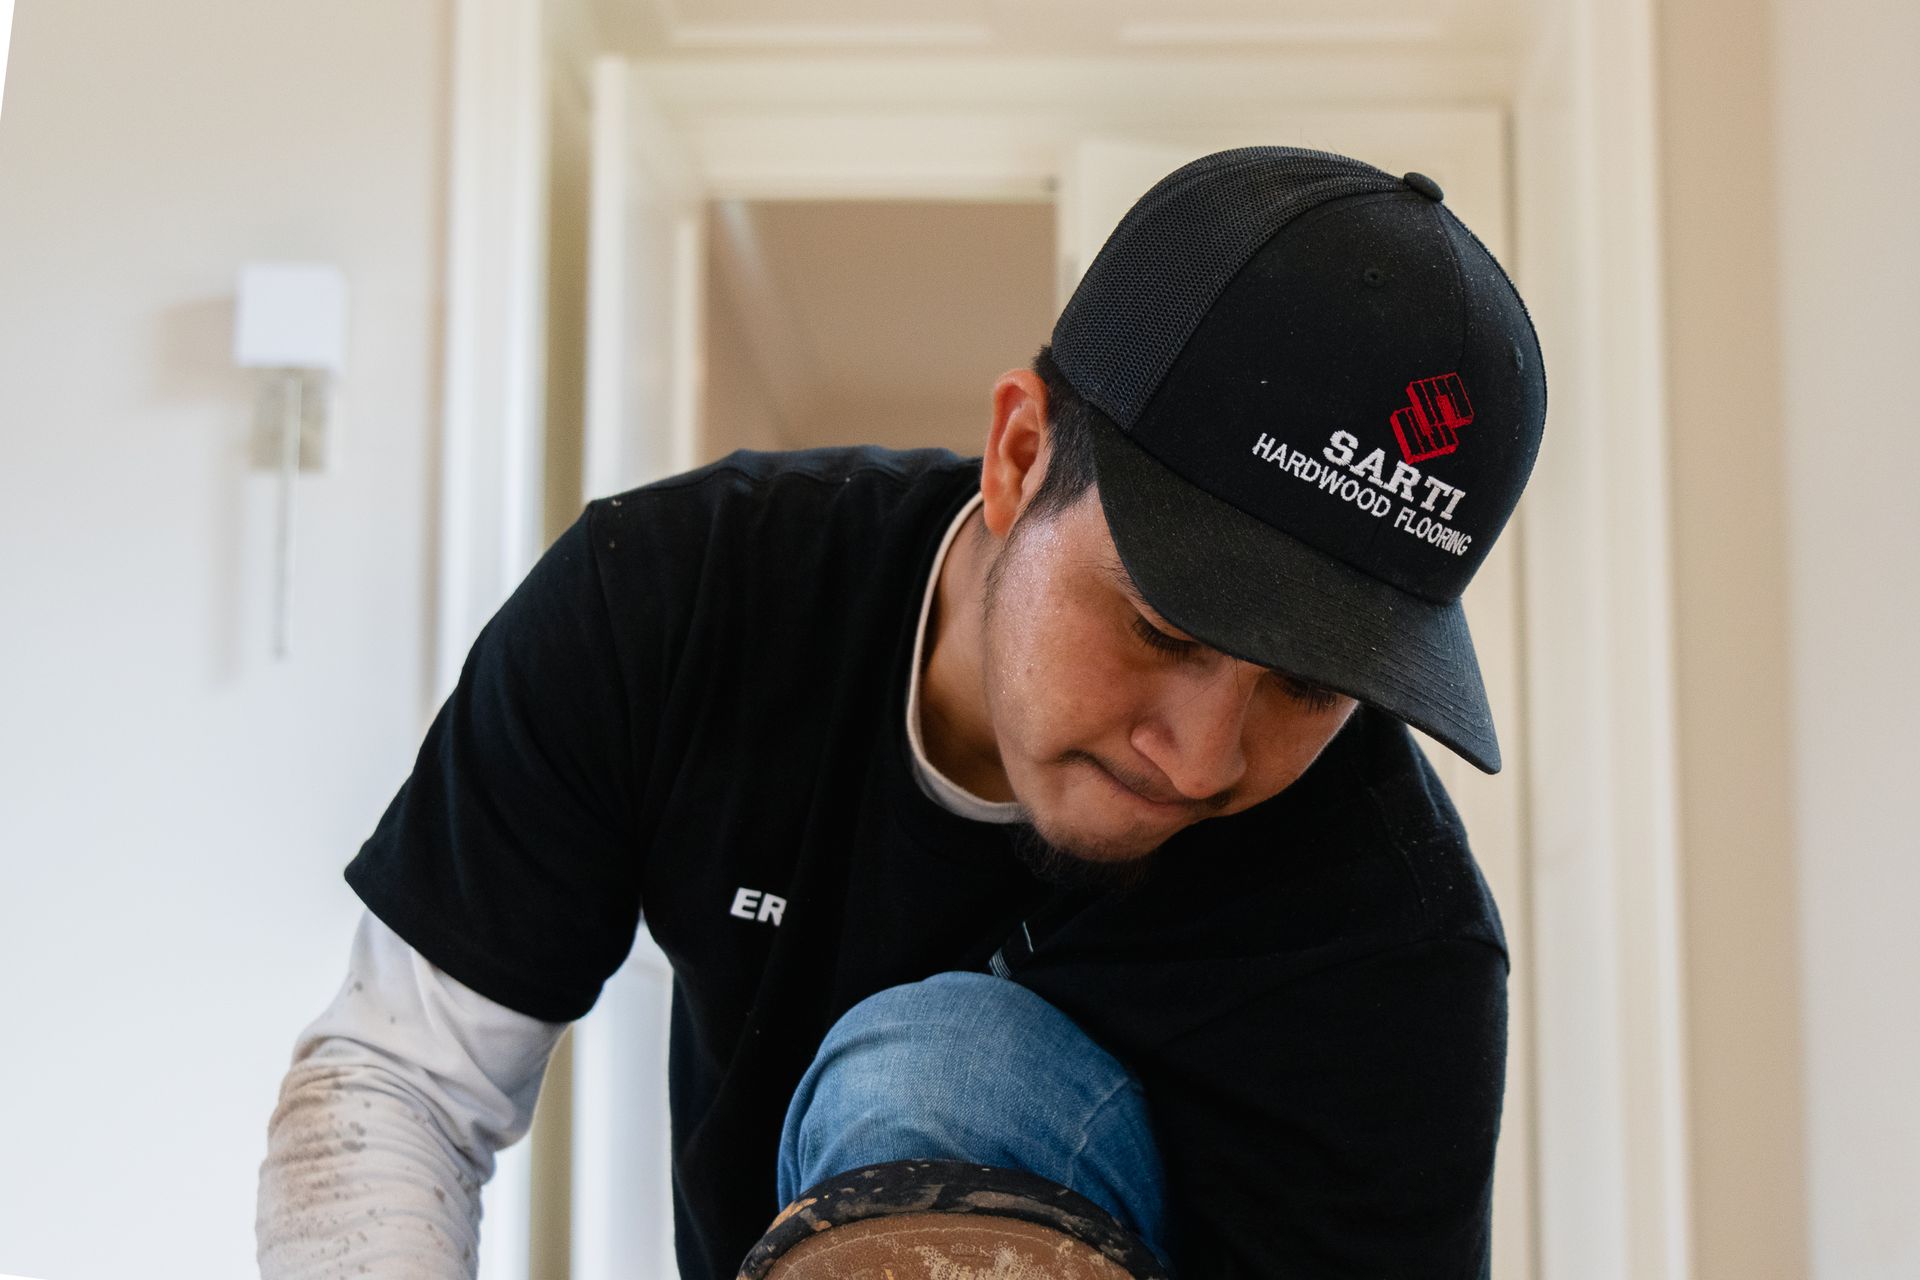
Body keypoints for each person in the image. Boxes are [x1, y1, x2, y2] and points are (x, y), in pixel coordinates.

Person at [256, 145, 1546, 1279]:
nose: (1202, 757)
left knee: (936, 1071)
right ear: (1018, 455)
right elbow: (401, 1079)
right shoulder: (679, 605)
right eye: (1163, 628)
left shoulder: (1392, 943)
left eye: (1312, 685)